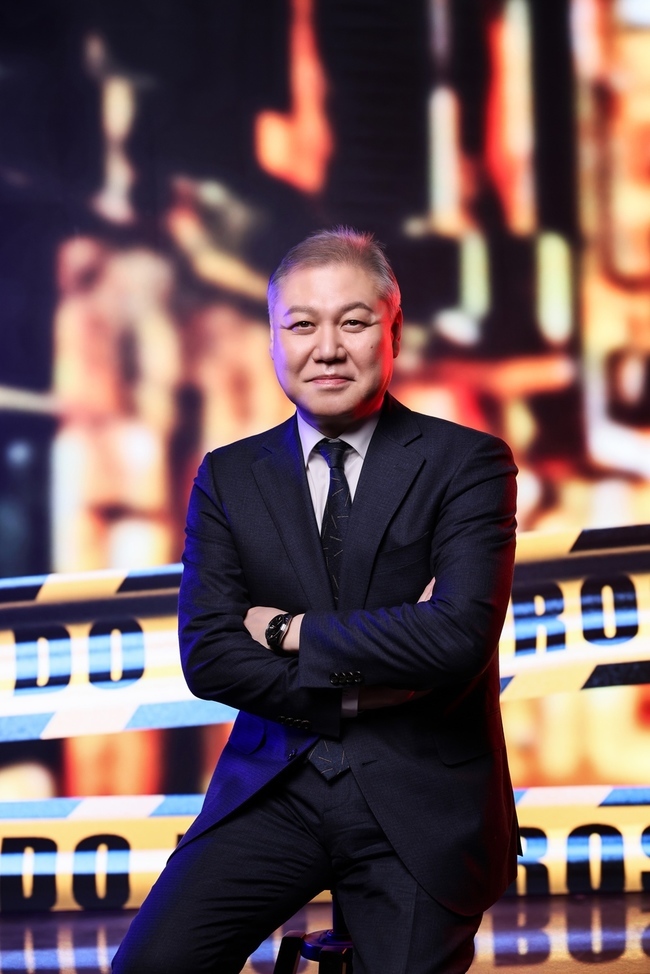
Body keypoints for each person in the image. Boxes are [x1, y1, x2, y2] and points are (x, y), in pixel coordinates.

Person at [112, 227, 519, 974]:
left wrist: (288, 630)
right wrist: (375, 681)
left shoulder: (467, 463)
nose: (326, 349)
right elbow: (211, 656)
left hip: (421, 801)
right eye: (301, 325)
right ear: (273, 340)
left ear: (393, 331)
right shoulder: (228, 476)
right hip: (275, 788)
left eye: (353, 322)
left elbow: (458, 636)